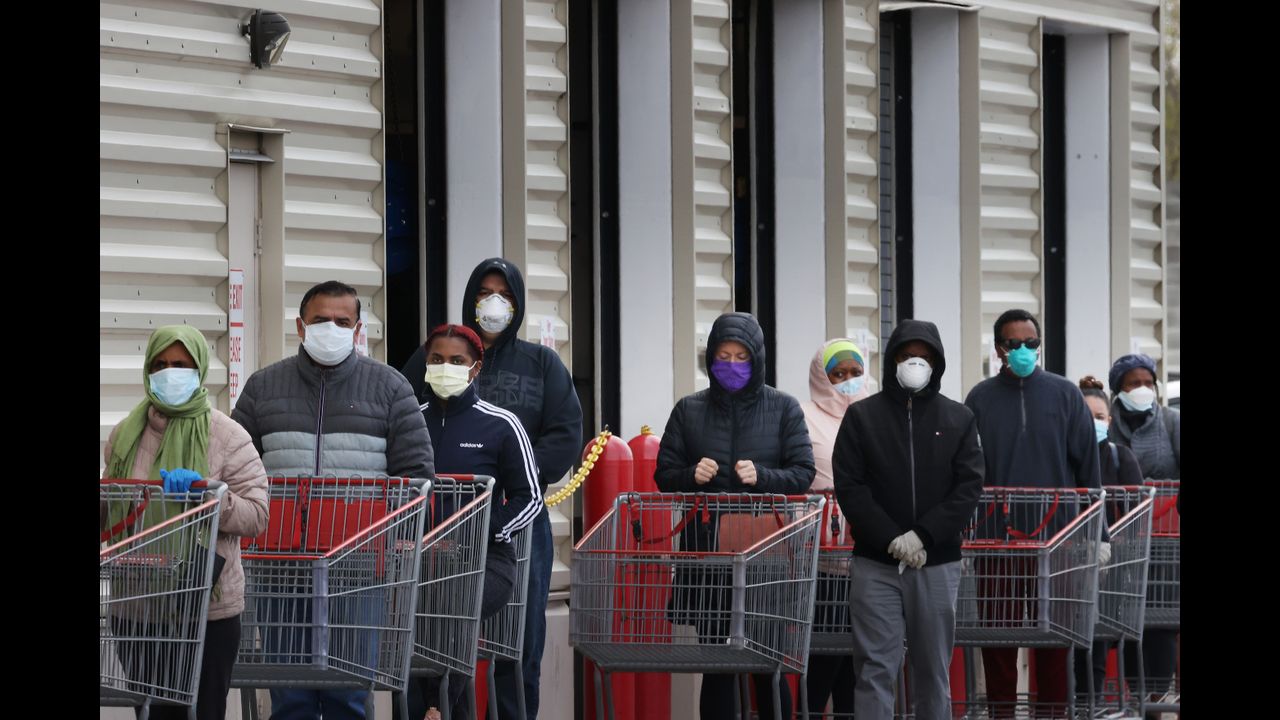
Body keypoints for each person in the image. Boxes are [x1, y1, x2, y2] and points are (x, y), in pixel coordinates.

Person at [232, 280, 435, 720]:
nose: (331, 329)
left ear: (358, 329)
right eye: (321, 320)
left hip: (358, 567)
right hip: (279, 566)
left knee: (349, 692)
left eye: (342, 322)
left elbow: (416, 474)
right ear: (300, 326)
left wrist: (392, 540)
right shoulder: (263, 387)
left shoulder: (390, 387)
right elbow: (236, 467)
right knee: (290, 695)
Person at [400, 258, 582, 720]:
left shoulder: (542, 363)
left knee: (519, 643)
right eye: (483, 292)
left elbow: (565, 432)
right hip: (437, 532)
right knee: (432, 634)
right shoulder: (433, 355)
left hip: (514, 523)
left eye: (503, 294)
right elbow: (403, 420)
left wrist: (513, 476)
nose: (493, 302)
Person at [103, 325, 270, 720]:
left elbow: (257, 515)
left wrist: (210, 496)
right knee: (154, 714)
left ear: (199, 370)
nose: (169, 373)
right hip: (137, 606)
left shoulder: (227, 435)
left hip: (205, 609)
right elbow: (111, 508)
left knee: (201, 712)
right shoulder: (126, 434)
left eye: (180, 364)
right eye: (160, 364)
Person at [655, 311, 815, 720]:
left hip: (767, 558)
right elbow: (664, 475)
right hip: (708, 557)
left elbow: (803, 473)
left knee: (767, 664)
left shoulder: (783, 408)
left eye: (741, 357)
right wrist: (690, 475)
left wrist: (763, 476)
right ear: (710, 358)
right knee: (718, 665)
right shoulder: (689, 409)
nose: (731, 365)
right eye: (723, 357)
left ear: (756, 359)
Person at [831, 320, 984, 720]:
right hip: (876, 563)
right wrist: (890, 538)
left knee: (932, 670)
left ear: (937, 363)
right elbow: (850, 486)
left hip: (937, 562)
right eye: (906, 355)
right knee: (875, 668)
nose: (915, 363)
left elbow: (968, 487)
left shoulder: (959, 418)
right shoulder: (862, 417)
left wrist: (923, 536)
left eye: (925, 357)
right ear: (892, 360)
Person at [397, 324, 543, 720]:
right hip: (421, 562)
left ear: (475, 368)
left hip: (485, 563)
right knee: (416, 623)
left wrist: (485, 532)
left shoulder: (502, 424)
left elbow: (530, 498)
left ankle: (436, 705)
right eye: (436, 359)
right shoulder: (410, 422)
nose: (445, 367)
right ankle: (437, 706)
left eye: (456, 360)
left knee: (455, 604)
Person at [963, 309, 1104, 717]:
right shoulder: (979, 399)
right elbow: (967, 469)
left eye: (1031, 343)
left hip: (1058, 542)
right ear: (998, 349)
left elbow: (1088, 467)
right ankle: (1002, 714)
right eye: (1014, 344)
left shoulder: (1065, 394)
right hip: (997, 541)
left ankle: (1053, 714)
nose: (1024, 350)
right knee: (998, 641)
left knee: (1055, 642)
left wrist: (1099, 533)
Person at [798, 338, 870, 716]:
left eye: (855, 372)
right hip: (823, 561)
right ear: (821, 376)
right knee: (822, 662)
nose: (847, 380)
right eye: (838, 373)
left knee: (856, 669)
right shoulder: (803, 416)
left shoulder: (876, 414)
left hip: (870, 560)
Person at [1106, 354, 1180, 710]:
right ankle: (1137, 698)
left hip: (1165, 541)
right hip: (1121, 540)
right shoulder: (1107, 427)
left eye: (1148, 383)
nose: (1142, 389)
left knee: (1160, 621)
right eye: (1134, 384)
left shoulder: (1171, 422)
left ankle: (1158, 699)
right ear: (1118, 389)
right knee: (1127, 619)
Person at [1075, 375, 1144, 711]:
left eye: (1099, 416)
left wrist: (1111, 544)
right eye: (1086, 416)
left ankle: (1092, 701)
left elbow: (1137, 513)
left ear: (1110, 421)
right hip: (1071, 560)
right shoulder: (1066, 456)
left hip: (1110, 563)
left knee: (1099, 630)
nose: (1094, 423)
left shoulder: (1121, 458)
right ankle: (1075, 702)